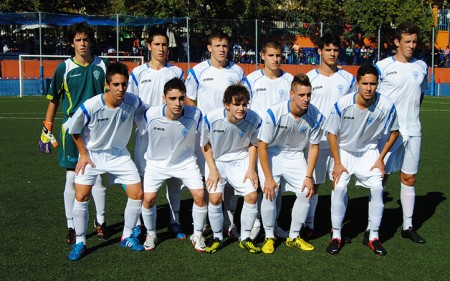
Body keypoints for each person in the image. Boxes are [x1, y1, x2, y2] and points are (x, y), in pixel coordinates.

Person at [66, 62, 147, 261]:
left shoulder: (133, 101)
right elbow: (74, 130)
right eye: (116, 85)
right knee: (82, 196)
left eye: (124, 84)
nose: (121, 89)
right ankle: (81, 242)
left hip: (118, 154)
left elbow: (146, 112)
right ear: (107, 85)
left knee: (137, 193)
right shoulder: (91, 105)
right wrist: (83, 154)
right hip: (92, 155)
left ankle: (127, 236)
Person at [38, 22, 109, 245]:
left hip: (97, 128)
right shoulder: (64, 68)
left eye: (85, 39)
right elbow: (54, 99)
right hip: (72, 129)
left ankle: (101, 222)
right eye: (77, 40)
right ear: (71, 43)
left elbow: (109, 98)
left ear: (90, 41)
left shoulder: (102, 65)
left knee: (96, 176)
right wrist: (46, 127)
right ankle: (71, 226)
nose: (82, 43)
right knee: (71, 177)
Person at [323, 65, 399, 256]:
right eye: (364, 83)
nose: (368, 88)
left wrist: (381, 158)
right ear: (357, 83)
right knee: (339, 189)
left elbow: (395, 132)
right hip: (344, 151)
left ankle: (373, 236)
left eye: (373, 84)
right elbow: (331, 134)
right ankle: (337, 236)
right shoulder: (343, 104)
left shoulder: (386, 105)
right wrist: (338, 163)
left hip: (369, 152)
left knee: (377, 188)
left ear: (377, 84)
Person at [185, 30, 245, 237]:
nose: (222, 49)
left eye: (225, 46)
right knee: (207, 178)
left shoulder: (237, 71)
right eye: (218, 45)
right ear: (209, 48)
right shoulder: (198, 71)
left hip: (231, 133)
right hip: (207, 134)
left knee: (228, 180)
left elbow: (244, 98)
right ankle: (206, 223)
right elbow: (189, 99)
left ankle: (230, 222)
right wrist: (200, 121)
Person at [127, 28, 186, 241]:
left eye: (165, 45)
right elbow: (131, 104)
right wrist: (139, 125)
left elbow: (182, 102)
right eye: (157, 44)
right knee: (143, 179)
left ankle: (174, 221)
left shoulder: (176, 72)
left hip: (172, 135)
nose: (161, 49)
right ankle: (140, 224)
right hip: (146, 135)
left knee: (173, 179)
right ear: (149, 46)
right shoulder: (137, 73)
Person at [374, 20, 428, 243]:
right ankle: (372, 226)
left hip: (413, 130)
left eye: (414, 41)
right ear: (397, 41)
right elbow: (371, 98)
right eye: (407, 41)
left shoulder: (422, 67)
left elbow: (421, 95)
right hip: (388, 133)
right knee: (380, 177)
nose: (412, 45)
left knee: (409, 177)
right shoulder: (382, 66)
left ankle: (407, 225)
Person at [258, 73, 323, 254]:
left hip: (295, 156)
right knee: (270, 192)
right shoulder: (274, 113)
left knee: (305, 192)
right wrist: (269, 178)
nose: (306, 99)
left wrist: (309, 176)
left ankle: (294, 236)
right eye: (301, 95)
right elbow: (262, 146)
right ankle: (269, 236)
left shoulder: (316, 116)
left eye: (309, 95)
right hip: (273, 154)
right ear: (291, 94)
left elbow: (314, 147)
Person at [140, 78, 207, 252]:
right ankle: (151, 233)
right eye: (172, 98)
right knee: (148, 200)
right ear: (164, 98)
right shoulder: (150, 115)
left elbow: (204, 140)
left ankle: (197, 234)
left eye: (181, 98)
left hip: (185, 162)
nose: (177, 103)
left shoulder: (195, 114)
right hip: (156, 163)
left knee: (200, 195)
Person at [305, 34, 356, 241]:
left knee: (339, 184)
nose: (332, 53)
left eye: (336, 50)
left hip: (340, 143)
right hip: (315, 142)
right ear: (319, 51)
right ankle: (309, 224)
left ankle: (337, 226)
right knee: (313, 185)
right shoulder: (309, 77)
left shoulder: (348, 79)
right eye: (328, 49)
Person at [201, 84, 262, 254]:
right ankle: (217, 237)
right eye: (237, 104)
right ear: (227, 104)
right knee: (214, 199)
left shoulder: (254, 119)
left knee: (251, 196)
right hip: (217, 160)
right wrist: (213, 170)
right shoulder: (211, 118)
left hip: (240, 159)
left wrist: (251, 169)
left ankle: (246, 238)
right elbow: (205, 144)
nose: (241, 108)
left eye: (244, 104)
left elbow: (253, 144)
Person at [245, 40, 294, 240]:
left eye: (278, 55)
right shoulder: (251, 79)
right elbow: (243, 107)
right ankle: (257, 222)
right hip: (257, 140)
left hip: (281, 140)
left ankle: (274, 224)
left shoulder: (289, 79)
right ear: (262, 56)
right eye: (271, 55)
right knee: (257, 184)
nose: (275, 59)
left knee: (277, 185)